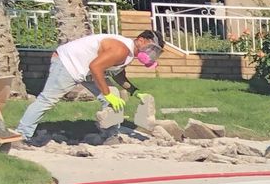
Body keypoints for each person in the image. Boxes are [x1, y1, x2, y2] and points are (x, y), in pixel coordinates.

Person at [9, 29, 159, 145]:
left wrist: (134, 91)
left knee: (114, 96)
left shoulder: (128, 54)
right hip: (68, 63)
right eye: (151, 48)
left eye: (155, 51)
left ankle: (110, 136)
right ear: (140, 40)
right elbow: (95, 67)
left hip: (86, 69)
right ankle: (21, 135)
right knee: (47, 100)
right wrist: (106, 94)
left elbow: (118, 75)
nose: (151, 53)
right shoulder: (121, 49)